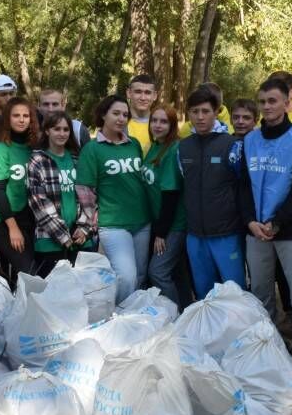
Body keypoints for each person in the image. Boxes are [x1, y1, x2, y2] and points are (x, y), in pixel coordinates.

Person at [239, 76, 292, 376]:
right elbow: (244, 186)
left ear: (287, 103)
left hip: (289, 229)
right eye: (262, 101)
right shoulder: (250, 140)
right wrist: (250, 222)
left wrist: (278, 221)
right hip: (256, 230)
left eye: (272, 101)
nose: (266, 107)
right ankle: (267, 343)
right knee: (260, 291)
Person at [78, 94, 154, 299]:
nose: (121, 118)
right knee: (126, 276)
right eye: (116, 113)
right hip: (113, 224)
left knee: (139, 275)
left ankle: (134, 321)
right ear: (103, 115)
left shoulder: (134, 144)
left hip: (142, 221)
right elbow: (85, 190)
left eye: (125, 115)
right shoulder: (92, 149)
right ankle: (118, 318)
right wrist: (90, 222)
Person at [179, 86, 246, 299]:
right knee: (204, 293)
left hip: (226, 233)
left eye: (205, 111)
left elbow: (243, 186)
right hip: (195, 234)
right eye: (194, 111)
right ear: (188, 113)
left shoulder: (232, 145)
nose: (200, 117)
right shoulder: (182, 148)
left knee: (235, 292)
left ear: (216, 112)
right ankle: (207, 331)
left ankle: (241, 330)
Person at [28, 111, 94, 275]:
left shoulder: (78, 159)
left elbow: (90, 196)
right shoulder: (37, 161)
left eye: (66, 129)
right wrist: (64, 236)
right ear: (47, 131)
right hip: (49, 241)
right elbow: (38, 203)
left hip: (81, 239)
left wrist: (84, 228)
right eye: (57, 129)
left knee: (84, 293)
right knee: (53, 295)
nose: (62, 133)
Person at [0, 97, 39, 285]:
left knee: (31, 276)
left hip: (30, 219)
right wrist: (12, 228)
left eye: (26, 116)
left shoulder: (32, 149)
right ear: (7, 119)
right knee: (28, 273)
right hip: (6, 222)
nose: (22, 119)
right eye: (16, 115)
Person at [145, 104, 191, 307]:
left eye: (163, 121)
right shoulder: (155, 146)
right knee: (178, 272)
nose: (157, 125)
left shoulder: (173, 149)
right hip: (158, 221)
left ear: (172, 125)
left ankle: (175, 315)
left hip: (174, 225)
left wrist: (161, 233)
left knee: (158, 271)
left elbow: (171, 194)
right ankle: (186, 310)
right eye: (154, 120)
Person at [126, 74, 159, 153]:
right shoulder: (117, 123)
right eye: (138, 92)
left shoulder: (163, 125)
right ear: (129, 93)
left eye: (147, 93)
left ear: (154, 96)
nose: (143, 98)